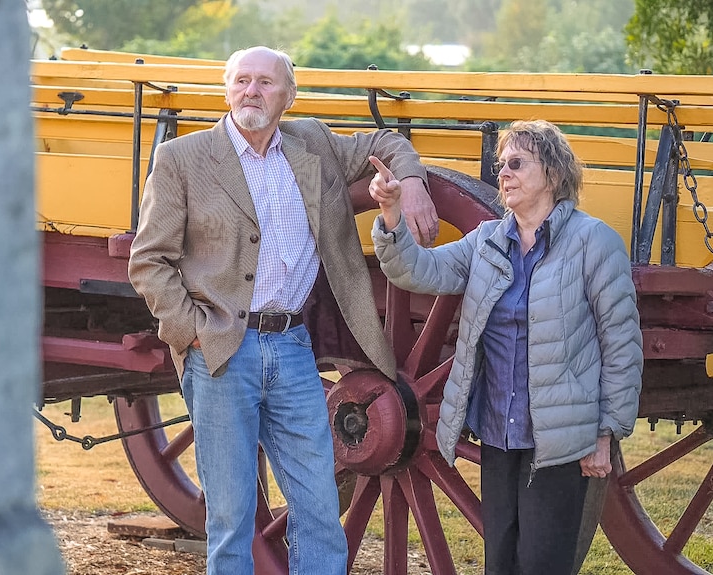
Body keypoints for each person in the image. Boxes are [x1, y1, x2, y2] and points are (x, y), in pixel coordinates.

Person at [128, 46, 438, 574]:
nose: (252, 91)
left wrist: (410, 182)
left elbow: (388, 141)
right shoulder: (182, 159)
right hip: (222, 350)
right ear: (227, 90)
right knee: (231, 519)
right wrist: (194, 333)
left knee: (317, 507)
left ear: (287, 96)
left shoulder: (311, 143)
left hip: (293, 351)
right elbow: (148, 261)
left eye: (266, 83)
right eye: (242, 81)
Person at [368, 119, 643, 575]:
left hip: (558, 438)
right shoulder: (487, 242)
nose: (504, 174)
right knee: (500, 562)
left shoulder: (593, 243)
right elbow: (418, 272)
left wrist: (605, 434)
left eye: (516, 163)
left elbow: (621, 345)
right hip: (499, 431)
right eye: (501, 166)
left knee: (541, 564)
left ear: (552, 174)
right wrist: (393, 216)